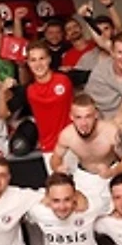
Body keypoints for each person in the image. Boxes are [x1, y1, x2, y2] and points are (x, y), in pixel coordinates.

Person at [50, 93, 122, 212]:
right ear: (71, 117)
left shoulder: (111, 131)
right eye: (78, 117)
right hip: (84, 178)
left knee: (117, 211)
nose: (83, 123)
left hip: (110, 175)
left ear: (96, 115)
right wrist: (58, 168)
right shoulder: (67, 135)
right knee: (77, 209)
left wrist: (113, 171)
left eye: (88, 116)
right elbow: (55, 158)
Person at [84, 32, 122, 152]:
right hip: (105, 136)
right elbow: (88, 106)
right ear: (112, 52)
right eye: (120, 52)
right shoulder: (100, 73)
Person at [25, 41, 73, 169]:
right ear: (28, 63)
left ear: (49, 59)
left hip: (71, 144)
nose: (38, 64)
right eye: (33, 60)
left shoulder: (63, 81)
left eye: (42, 58)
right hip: (49, 147)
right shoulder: (31, 91)